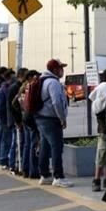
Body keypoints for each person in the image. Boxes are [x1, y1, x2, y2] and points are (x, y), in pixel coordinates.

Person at [36, 59, 72, 188]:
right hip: (51, 119)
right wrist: (62, 118)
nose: (62, 70)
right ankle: (58, 176)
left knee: (45, 147)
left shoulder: (42, 80)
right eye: (61, 68)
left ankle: (44, 175)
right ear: (55, 70)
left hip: (41, 118)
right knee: (57, 147)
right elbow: (56, 102)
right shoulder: (53, 83)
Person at [19, 70, 41, 178]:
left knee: (28, 145)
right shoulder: (31, 86)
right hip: (31, 118)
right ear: (31, 77)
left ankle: (25, 169)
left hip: (25, 118)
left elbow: (16, 102)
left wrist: (22, 111)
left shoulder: (23, 87)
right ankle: (33, 170)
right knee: (34, 144)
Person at [6, 68, 28, 175]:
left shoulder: (16, 87)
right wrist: (17, 121)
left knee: (19, 142)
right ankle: (13, 165)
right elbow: (12, 106)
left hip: (18, 120)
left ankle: (17, 164)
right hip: (16, 121)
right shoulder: (15, 88)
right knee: (17, 143)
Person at [0, 69, 15, 171]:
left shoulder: (8, 89)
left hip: (8, 119)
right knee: (5, 140)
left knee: (8, 140)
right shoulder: (1, 91)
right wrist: (3, 119)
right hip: (4, 120)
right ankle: (3, 159)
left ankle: (6, 159)